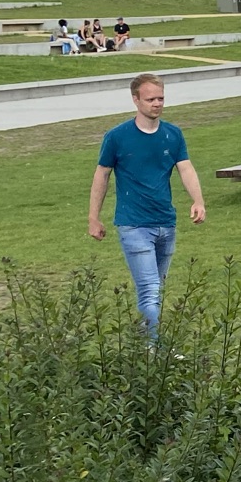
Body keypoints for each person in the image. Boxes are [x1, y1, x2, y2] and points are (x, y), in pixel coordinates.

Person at [88, 73, 205, 332]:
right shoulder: (117, 137)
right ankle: (153, 349)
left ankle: (142, 341)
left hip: (166, 223)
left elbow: (185, 168)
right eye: (150, 99)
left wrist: (198, 201)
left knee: (156, 290)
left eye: (160, 98)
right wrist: (93, 218)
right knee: (150, 289)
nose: (157, 104)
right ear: (136, 100)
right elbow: (102, 175)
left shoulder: (173, 134)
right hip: (134, 225)